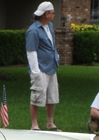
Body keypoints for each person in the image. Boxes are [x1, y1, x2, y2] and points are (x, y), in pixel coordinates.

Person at [26, 1, 61, 131]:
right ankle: (34, 125)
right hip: (40, 69)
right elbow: (31, 52)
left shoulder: (49, 26)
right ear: (46, 14)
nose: (53, 15)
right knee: (37, 96)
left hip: (51, 67)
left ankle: (50, 123)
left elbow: (51, 45)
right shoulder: (33, 31)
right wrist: (36, 72)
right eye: (52, 13)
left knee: (52, 96)